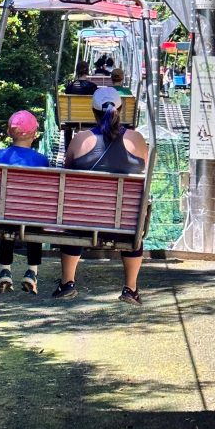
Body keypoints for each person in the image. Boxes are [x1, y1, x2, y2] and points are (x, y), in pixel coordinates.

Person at [53, 88, 148, 306]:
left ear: (93, 112)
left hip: (83, 220)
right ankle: (130, 288)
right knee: (134, 220)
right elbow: (145, 169)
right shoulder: (136, 139)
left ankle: (67, 281)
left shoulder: (80, 140)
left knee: (75, 213)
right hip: (123, 222)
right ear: (121, 110)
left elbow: (66, 172)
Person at [0, 110, 49, 294]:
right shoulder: (41, 160)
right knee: (34, 216)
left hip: (4, 214)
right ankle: (32, 272)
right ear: (34, 135)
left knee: (7, 217)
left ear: (9, 132)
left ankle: (5, 270)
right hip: (32, 217)